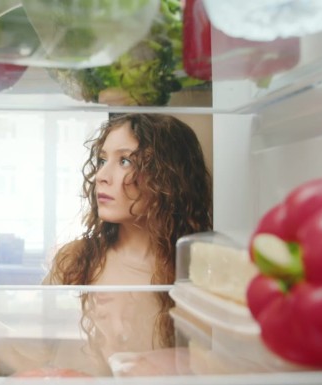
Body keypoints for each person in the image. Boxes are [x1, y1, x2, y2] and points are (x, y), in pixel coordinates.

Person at [43, 113, 213, 368]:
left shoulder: (199, 274)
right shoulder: (73, 261)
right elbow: (39, 351)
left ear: (168, 179)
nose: (101, 175)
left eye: (124, 161)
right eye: (102, 159)